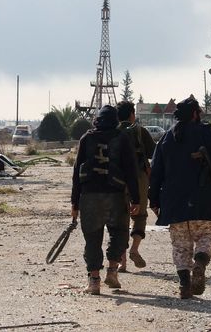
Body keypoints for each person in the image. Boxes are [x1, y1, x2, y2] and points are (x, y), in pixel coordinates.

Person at [149, 96, 211, 299]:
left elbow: (156, 171)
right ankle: (200, 263)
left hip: (174, 201)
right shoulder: (207, 134)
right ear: (195, 114)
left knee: (180, 245)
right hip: (204, 198)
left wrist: (154, 200)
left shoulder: (167, 138)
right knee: (207, 236)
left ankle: (185, 285)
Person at [71, 105, 140, 295]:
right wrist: (136, 199)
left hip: (90, 196)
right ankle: (112, 272)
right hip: (116, 195)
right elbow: (131, 170)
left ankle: (94, 281)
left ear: (97, 120)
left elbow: (77, 172)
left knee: (92, 238)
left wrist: (74, 203)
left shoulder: (87, 138)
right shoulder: (122, 138)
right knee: (119, 234)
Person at [116, 100, 156, 271]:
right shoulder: (140, 131)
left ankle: (122, 263)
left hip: (118, 178)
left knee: (120, 218)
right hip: (139, 177)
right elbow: (154, 154)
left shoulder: (113, 132)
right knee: (139, 215)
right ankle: (134, 249)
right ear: (132, 114)